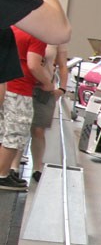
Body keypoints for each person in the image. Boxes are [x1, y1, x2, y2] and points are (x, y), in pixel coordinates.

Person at [0, 26, 51, 190]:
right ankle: (2, 175)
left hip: (6, 86)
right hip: (20, 89)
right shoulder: (37, 35)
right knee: (15, 133)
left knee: (4, 132)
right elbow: (34, 64)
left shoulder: (13, 28)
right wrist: (47, 83)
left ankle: (5, 171)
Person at [29, 42, 67, 181]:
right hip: (27, 84)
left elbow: (62, 65)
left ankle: (37, 167)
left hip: (46, 89)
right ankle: (13, 167)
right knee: (20, 127)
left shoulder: (57, 40)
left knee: (38, 130)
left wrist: (62, 88)